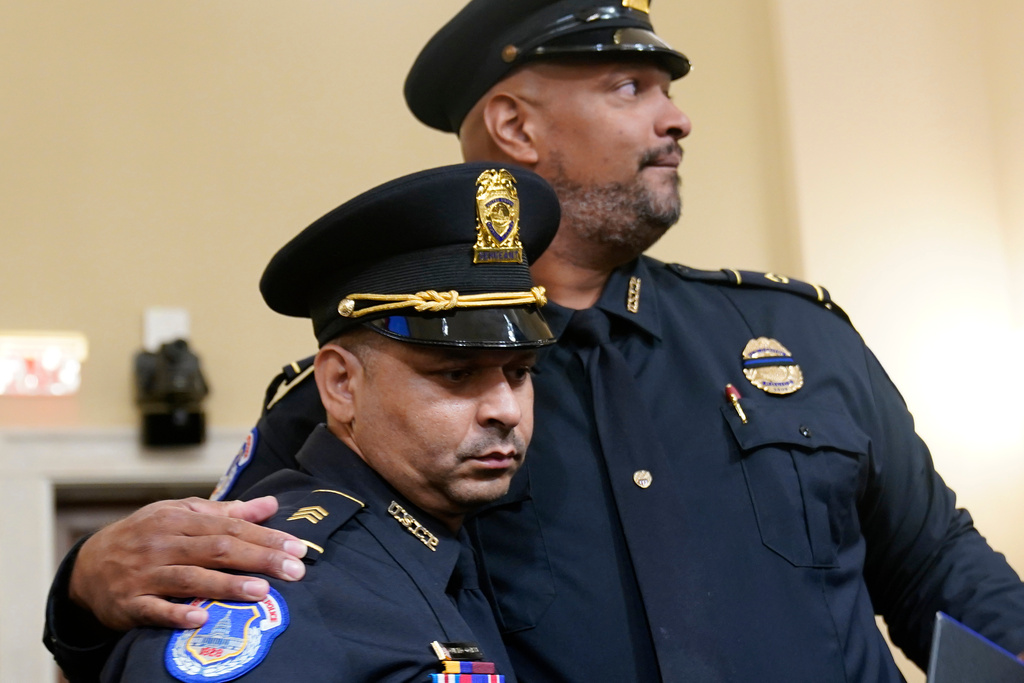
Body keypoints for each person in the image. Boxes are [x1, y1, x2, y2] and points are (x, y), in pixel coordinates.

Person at [46, 0, 1024, 681]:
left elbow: (942, 567)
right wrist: (87, 584)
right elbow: (237, 604)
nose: (677, 117)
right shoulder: (364, 385)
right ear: (514, 123)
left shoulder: (794, 337)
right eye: (631, 86)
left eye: (665, 89)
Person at [102, 161, 561, 682]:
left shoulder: (428, 543)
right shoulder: (275, 583)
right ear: (342, 385)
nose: (504, 408)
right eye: (456, 374)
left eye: (520, 372)